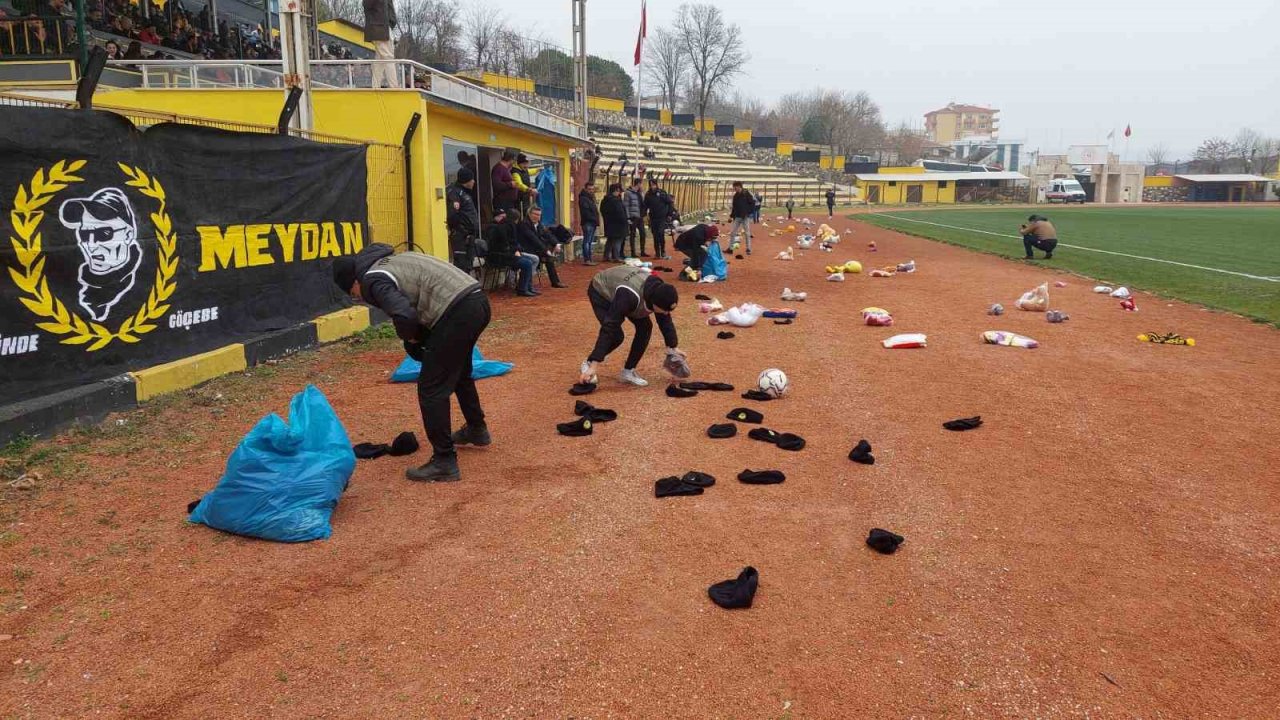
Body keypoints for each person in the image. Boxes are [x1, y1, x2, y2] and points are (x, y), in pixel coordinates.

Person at [332, 243, 490, 482]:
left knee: (431, 388)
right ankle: (476, 429)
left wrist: (411, 337)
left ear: (354, 281)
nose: (361, 298)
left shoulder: (372, 280)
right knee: (459, 372)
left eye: (355, 295)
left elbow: (404, 314)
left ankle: (444, 461)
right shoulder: (394, 261)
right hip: (477, 301)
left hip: (457, 311)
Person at [579, 265, 685, 388]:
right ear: (654, 303)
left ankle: (628, 371)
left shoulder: (659, 291)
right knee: (616, 336)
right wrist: (594, 365)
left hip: (626, 287)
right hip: (602, 292)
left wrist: (673, 347)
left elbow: (665, 320)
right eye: (664, 310)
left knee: (645, 328)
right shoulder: (628, 297)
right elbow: (609, 327)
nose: (667, 313)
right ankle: (588, 363)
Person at [485, 209, 539, 297]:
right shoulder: (504, 227)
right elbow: (505, 244)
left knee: (530, 260)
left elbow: (512, 243)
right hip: (501, 256)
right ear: (515, 219)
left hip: (506, 253)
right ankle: (522, 289)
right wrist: (514, 251)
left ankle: (528, 286)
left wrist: (517, 250)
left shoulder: (506, 226)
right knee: (527, 263)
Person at [515, 205, 568, 289]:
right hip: (526, 249)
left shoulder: (539, 224)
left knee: (549, 259)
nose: (537, 217)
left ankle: (555, 282)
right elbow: (534, 239)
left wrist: (556, 243)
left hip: (535, 249)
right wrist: (545, 250)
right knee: (546, 255)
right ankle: (526, 283)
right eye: (535, 214)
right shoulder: (524, 224)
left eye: (539, 215)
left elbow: (547, 234)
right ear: (529, 214)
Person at [446, 166, 480, 271]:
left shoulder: (465, 192)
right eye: (472, 179)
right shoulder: (455, 192)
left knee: (468, 264)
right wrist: (463, 230)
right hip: (461, 236)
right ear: (466, 181)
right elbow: (452, 215)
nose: (474, 181)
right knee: (461, 265)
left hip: (469, 235)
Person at [362, 0, 397, 89]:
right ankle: (394, 87)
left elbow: (390, 9)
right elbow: (367, 5)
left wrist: (390, 24)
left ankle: (376, 86)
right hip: (379, 28)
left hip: (384, 28)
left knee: (380, 59)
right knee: (388, 57)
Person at [644, 179, 674, 259]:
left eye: (653, 184)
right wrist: (643, 214)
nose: (652, 186)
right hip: (653, 218)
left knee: (660, 234)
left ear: (656, 185)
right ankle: (657, 253)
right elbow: (645, 205)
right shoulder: (648, 194)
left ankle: (663, 251)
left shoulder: (662, 193)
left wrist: (669, 214)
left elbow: (670, 202)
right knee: (655, 235)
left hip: (662, 217)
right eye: (650, 185)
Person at [600, 183, 629, 263]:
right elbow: (620, 213)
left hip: (609, 224)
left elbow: (602, 211)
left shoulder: (605, 200)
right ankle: (616, 257)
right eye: (619, 191)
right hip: (618, 224)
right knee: (617, 240)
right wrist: (625, 221)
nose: (619, 193)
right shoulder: (616, 201)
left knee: (610, 240)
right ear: (616, 191)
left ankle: (606, 256)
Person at [577, 181, 599, 266]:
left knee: (589, 241)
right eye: (589, 189)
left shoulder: (590, 198)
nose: (591, 190)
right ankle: (587, 259)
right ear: (585, 189)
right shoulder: (583, 198)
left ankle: (589, 259)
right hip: (588, 222)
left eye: (592, 189)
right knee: (587, 241)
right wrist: (594, 218)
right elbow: (585, 212)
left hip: (591, 222)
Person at [624, 178, 647, 257]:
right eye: (641, 184)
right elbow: (626, 205)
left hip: (640, 216)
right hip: (633, 216)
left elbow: (643, 204)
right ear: (638, 184)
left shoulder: (640, 193)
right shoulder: (628, 193)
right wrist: (628, 217)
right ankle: (633, 252)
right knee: (633, 235)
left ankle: (642, 251)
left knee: (643, 234)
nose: (642, 186)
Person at [729, 181, 754, 255]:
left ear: (739, 186)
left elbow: (752, 203)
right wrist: (731, 216)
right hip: (737, 217)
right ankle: (730, 248)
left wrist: (748, 213)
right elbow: (734, 208)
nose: (734, 189)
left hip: (745, 217)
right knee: (733, 232)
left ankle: (748, 249)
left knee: (747, 233)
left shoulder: (746, 193)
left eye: (735, 187)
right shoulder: (735, 196)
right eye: (734, 187)